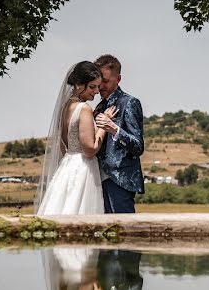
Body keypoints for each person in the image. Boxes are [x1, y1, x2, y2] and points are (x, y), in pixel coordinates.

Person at [36, 61, 117, 215]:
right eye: (92, 87)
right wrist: (104, 125)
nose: (96, 92)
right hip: (83, 169)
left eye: (97, 87)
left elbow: (65, 143)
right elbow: (90, 150)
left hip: (67, 165)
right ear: (79, 85)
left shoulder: (65, 107)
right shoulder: (84, 109)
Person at [93, 55, 145, 213]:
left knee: (123, 230)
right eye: (99, 81)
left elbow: (138, 146)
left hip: (120, 181)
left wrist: (115, 129)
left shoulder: (130, 103)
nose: (101, 86)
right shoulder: (98, 107)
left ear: (118, 79)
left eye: (106, 81)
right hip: (97, 180)